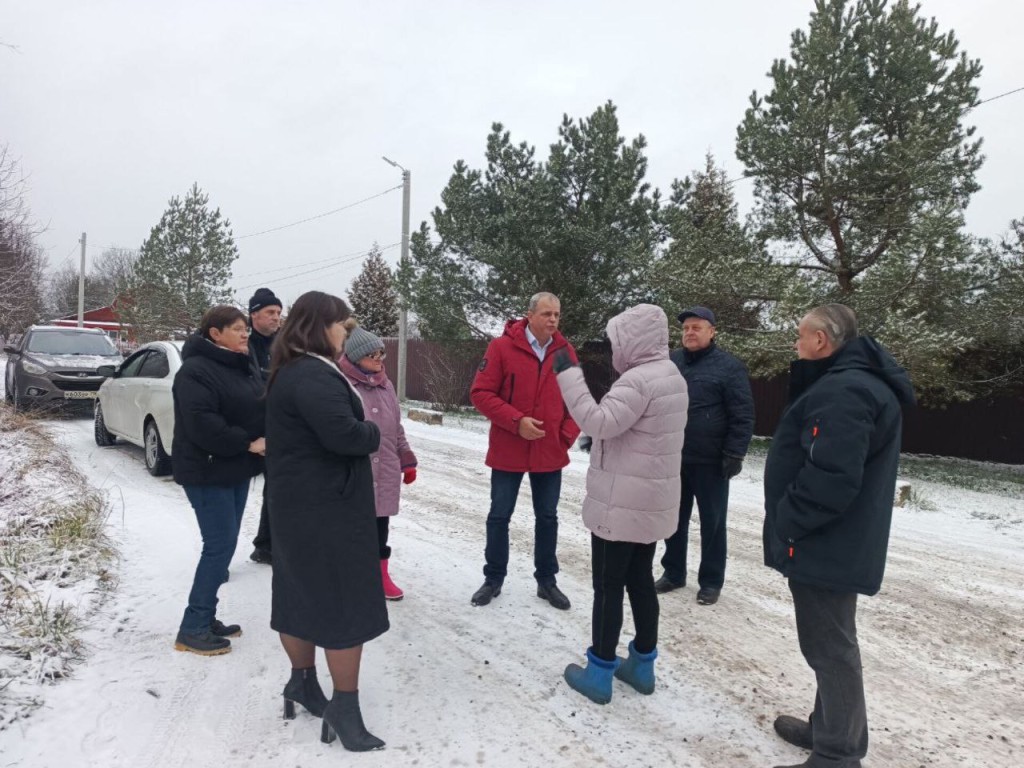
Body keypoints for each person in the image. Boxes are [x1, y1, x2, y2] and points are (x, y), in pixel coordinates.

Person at [764, 304, 914, 768]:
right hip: (835, 539)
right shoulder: (850, 383)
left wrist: (787, 520)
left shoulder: (845, 391)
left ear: (822, 342)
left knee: (830, 648)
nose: (796, 344)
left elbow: (831, 478)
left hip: (827, 541)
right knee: (829, 643)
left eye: (800, 336)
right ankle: (828, 727)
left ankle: (838, 752)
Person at [265, 291, 388, 752]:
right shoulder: (314, 375)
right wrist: (372, 431)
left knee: (299, 592)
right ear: (321, 326)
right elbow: (345, 436)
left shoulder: (291, 369)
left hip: (299, 506)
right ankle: (345, 707)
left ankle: (301, 683)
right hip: (328, 513)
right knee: (342, 608)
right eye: (341, 324)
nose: (345, 332)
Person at [553, 304, 688, 705]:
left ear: (633, 341)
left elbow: (597, 422)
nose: (614, 349)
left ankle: (599, 673)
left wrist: (568, 374)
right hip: (650, 504)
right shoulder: (671, 375)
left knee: (608, 587)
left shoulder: (637, 381)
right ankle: (642, 666)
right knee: (640, 580)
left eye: (616, 341)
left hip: (622, 505)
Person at [469, 292, 580, 609]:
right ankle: (493, 579)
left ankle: (547, 582)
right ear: (529, 315)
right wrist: (516, 422)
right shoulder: (502, 348)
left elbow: (577, 400)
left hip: (549, 452)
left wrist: (565, 437)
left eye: (557, 314)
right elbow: (481, 393)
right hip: (509, 448)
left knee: (547, 517)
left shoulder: (564, 351)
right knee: (499, 516)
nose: (553, 320)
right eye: (547, 314)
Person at [171, 305, 266, 656]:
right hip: (207, 470)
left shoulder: (239, 366)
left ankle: (205, 617)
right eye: (238, 328)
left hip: (235, 468)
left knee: (224, 546)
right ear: (215, 333)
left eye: (246, 329)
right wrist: (247, 442)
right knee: (219, 546)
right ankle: (192, 626)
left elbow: (256, 406)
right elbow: (201, 423)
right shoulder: (196, 371)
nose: (246, 334)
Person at [656, 306, 754, 606]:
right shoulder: (669, 362)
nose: (689, 332)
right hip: (673, 457)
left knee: (713, 523)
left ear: (712, 331)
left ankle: (711, 581)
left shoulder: (729, 367)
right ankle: (673, 572)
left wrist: (735, 452)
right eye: (685, 328)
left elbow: (743, 414)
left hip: (712, 461)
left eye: (696, 327)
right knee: (672, 520)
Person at [338, 320, 417, 601]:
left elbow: (396, 427)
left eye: (381, 354)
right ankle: (348, 576)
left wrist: (406, 459)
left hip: (384, 468)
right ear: (356, 357)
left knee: (380, 525)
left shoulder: (386, 385)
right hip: (355, 470)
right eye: (373, 355)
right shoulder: (342, 383)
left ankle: (380, 575)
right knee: (351, 527)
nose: (379, 360)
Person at [247, 286, 283, 565]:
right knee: (233, 493)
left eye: (279, 313)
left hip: (276, 428)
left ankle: (266, 545)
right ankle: (218, 556)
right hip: (247, 428)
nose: (276, 318)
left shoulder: (283, 344)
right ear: (254, 314)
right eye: (270, 312)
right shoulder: (242, 342)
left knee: (276, 489)